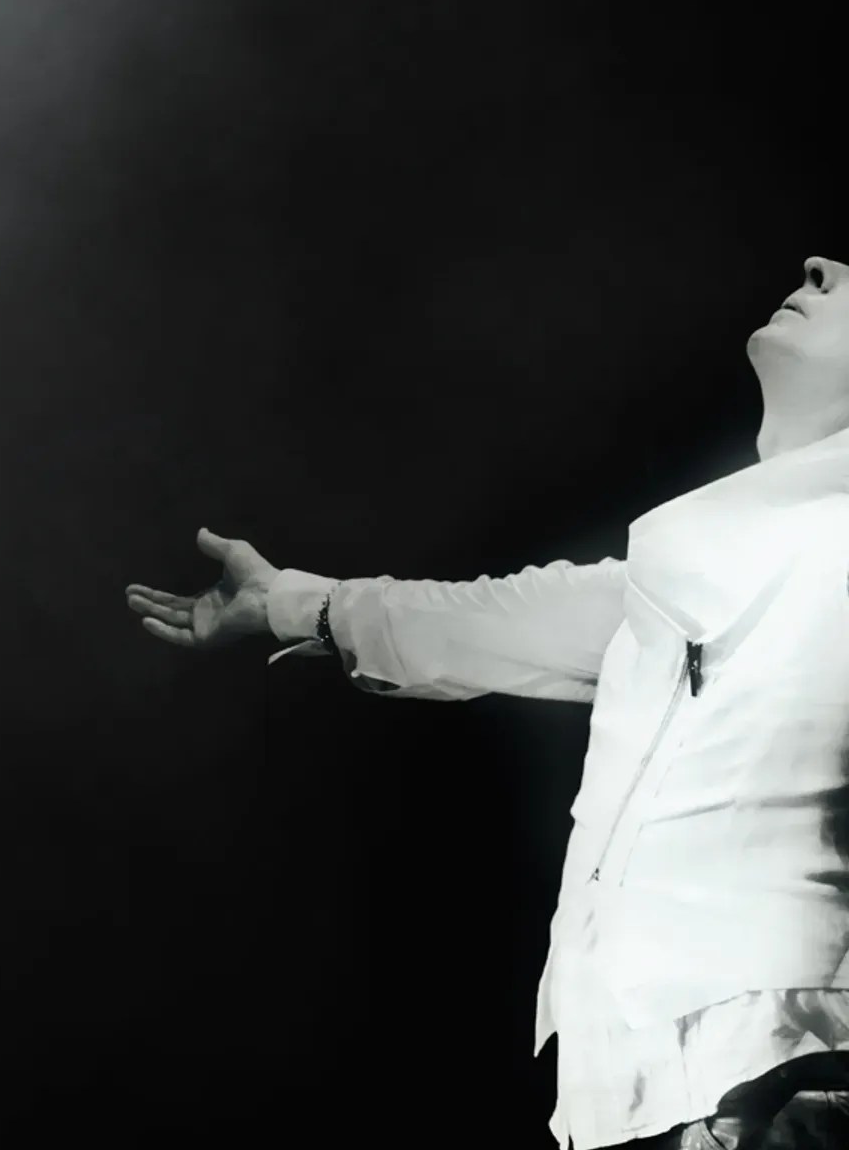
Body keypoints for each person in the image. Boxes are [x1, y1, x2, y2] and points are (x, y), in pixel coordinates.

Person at [125, 256, 849, 1149]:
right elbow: (497, 620)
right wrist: (287, 601)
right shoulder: (706, 559)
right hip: (650, 1081)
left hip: (793, 1068)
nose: (822, 265)